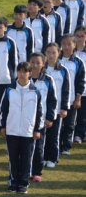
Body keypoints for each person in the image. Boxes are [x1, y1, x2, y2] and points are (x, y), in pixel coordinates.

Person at [0, 62, 43, 194]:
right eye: (19, 71)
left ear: (30, 73)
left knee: (26, 159)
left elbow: (40, 112)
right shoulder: (9, 90)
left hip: (28, 131)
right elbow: (3, 109)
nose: (22, 74)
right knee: (13, 158)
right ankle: (13, 182)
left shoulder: (35, 92)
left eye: (25, 72)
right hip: (12, 130)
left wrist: (37, 129)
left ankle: (23, 183)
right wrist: (3, 126)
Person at [28, 52, 58, 183]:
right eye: (32, 62)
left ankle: (36, 172)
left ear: (43, 64)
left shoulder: (48, 80)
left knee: (39, 147)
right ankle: (24, 170)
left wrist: (50, 118)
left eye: (38, 62)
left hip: (40, 120)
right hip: (24, 120)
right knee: (24, 147)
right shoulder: (22, 79)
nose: (34, 65)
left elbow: (52, 100)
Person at [44, 42, 71, 169]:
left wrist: (64, 107)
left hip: (57, 109)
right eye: (48, 52)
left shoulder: (63, 70)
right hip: (42, 109)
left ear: (58, 53)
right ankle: (43, 157)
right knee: (42, 135)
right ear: (45, 54)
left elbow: (66, 90)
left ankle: (53, 158)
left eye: (54, 52)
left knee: (54, 135)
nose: (51, 55)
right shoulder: (41, 69)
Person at [58, 34, 85, 155]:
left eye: (69, 44)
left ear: (74, 45)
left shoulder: (78, 62)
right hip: (57, 99)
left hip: (71, 98)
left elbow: (81, 82)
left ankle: (66, 147)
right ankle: (56, 145)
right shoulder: (56, 60)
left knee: (69, 124)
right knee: (56, 125)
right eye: (64, 44)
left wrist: (78, 98)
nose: (67, 47)